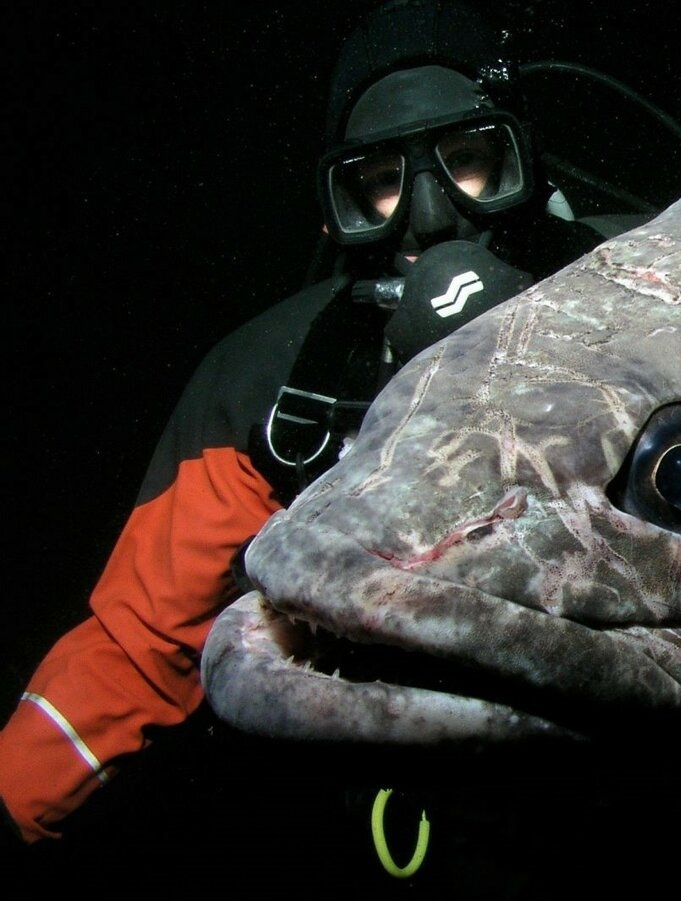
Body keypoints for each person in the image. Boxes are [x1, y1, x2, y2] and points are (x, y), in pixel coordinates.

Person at [0, 0, 611, 848]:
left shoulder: (659, 267)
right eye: (385, 182)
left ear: (522, 158)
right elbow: (135, 646)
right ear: (344, 204)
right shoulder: (267, 386)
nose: (432, 217)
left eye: (469, 160)